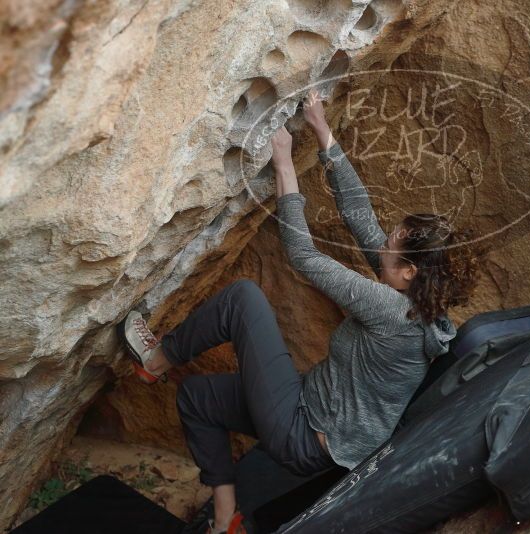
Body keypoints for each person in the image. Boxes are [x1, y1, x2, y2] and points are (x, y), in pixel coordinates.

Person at [117, 89, 478, 534]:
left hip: (306, 433)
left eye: (393, 241)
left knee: (243, 298)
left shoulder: (390, 309)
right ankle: (227, 519)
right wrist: (322, 131)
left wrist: (284, 163)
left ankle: (155, 360)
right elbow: (360, 219)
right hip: (309, 417)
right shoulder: (421, 304)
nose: (383, 239)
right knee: (198, 400)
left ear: (407, 271)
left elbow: (304, 257)